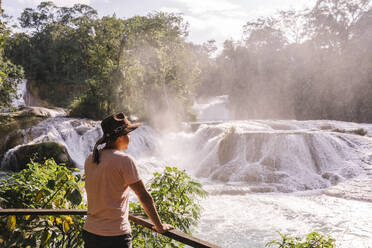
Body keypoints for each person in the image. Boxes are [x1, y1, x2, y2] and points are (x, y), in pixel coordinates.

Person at [82, 112, 173, 248]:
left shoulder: (91, 158)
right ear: (120, 137)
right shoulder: (124, 161)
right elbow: (143, 196)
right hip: (115, 235)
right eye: (128, 134)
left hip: (90, 232)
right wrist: (159, 226)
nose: (130, 138)